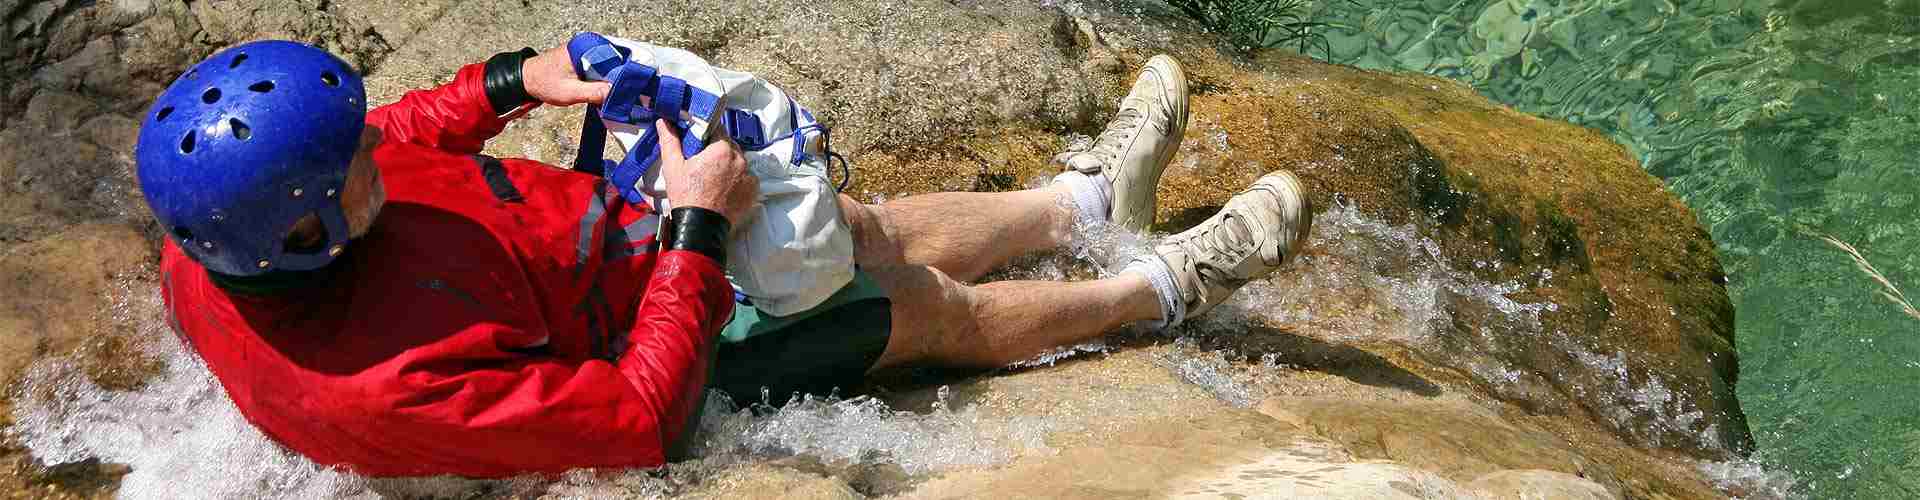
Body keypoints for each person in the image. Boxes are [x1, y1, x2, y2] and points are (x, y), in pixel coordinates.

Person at [138, 38, 1312, 478]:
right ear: (305, 235)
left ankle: (1088, 199)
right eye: (348, 170)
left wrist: (507, 83)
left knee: (853, 229)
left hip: (605, 249)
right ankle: (1162, 288)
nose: (373, 152)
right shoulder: (381, 386)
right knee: (911, 306)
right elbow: (633, 421)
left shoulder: (231, 230)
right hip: (646, 340)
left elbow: (395, 132)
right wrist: (698, 228)